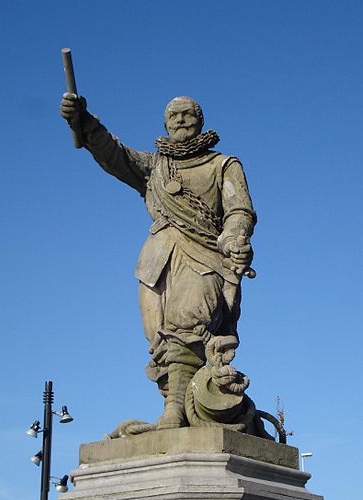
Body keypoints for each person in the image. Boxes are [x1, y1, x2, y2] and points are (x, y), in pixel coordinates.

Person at [60, 94, 256, 429]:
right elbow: (114, 155)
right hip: (157, 261)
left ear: (201, 120)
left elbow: (239, 211)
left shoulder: (223, 165)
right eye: (173, 115)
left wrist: (234, 237)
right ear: (165, 123)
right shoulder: (154, 167)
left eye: (187, 114)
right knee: (160, 340)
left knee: (188, 323)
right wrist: (83, 120)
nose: (180, 119)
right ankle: (180, 406)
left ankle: (176, 413)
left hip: (205, 256)